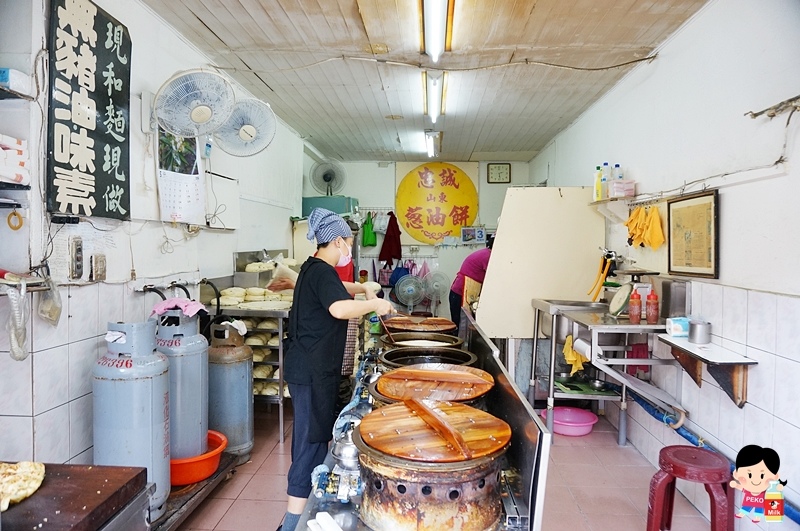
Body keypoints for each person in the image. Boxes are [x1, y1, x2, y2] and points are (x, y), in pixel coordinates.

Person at [276, 208, 394, 531]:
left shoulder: (314, 268)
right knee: (309, 445)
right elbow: (338, 307)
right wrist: (375, 304)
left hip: (311, 371)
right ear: (338, 240)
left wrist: (364, 289)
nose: (348, 250)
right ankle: (290, 525)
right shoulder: (321, 272)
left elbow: (342, 289)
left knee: (312, 443)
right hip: (313, 373)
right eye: (348, 243)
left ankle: (306, 514)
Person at [449, 234, 494, 333]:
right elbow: (493, 279)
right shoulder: (489, 256)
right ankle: (458, 347)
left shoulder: (485, 253)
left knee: (460, 324)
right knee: (460, 325)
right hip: (460, 293)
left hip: (459, 291)